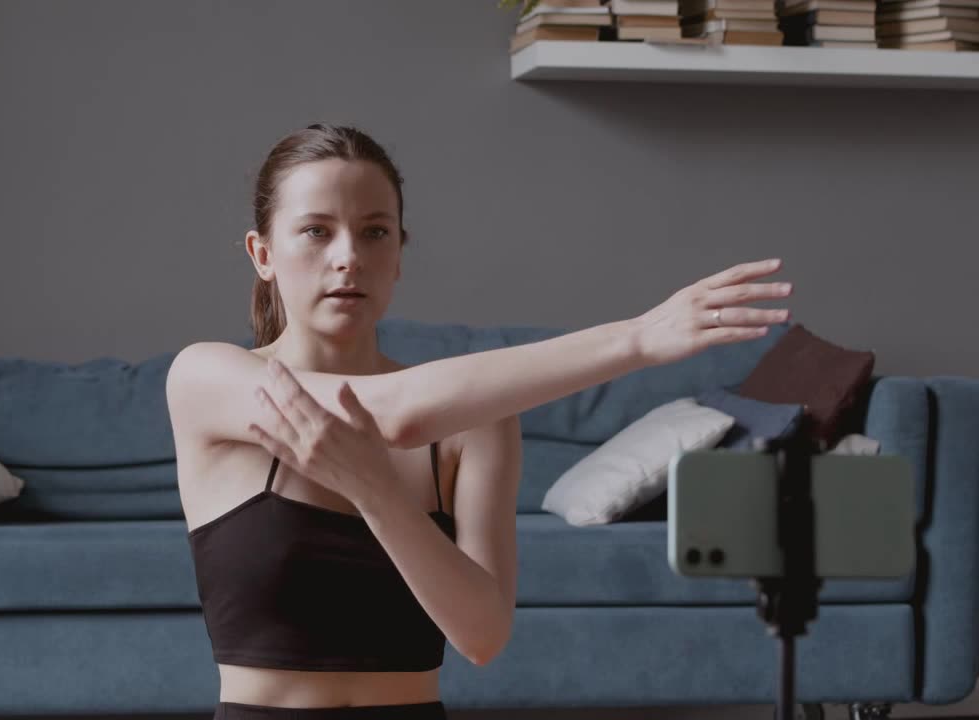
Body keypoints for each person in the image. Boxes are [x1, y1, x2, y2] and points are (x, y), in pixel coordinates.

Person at [165, 123, 794, 720]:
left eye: (375, 231)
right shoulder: (207, 379)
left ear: (400, 254)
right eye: (316, 231)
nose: (348, 256)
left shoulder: (478, 424)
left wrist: (376, 492)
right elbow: (389, 414)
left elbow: (483, 636)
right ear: (262, 253)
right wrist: (635, 339)